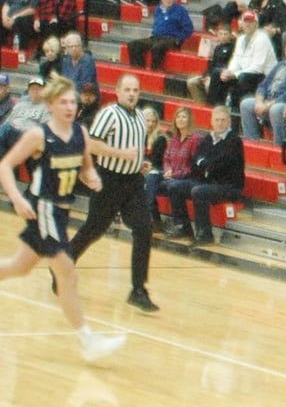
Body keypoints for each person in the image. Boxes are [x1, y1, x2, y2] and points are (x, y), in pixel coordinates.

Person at [0, 75, 123, 360]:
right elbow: (5, 166)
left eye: (72, 101)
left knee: (21, 267)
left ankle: (87, 340)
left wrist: (90, 176)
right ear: (51, 105)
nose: (69, 106)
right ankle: (87, 341)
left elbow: (85, 167)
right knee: (66, 271)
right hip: (41, 208)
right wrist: (16, 198)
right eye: (63, 102)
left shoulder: (79, 132)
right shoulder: (38, 135)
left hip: (60, 211)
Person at [66, 73, 158, 312]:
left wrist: (138, 163)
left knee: (144, 229)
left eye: (135, 90)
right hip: (109, 181)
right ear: (117, 91)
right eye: (127, 89)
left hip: (133, 182)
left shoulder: (139, 116)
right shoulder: (109, 113)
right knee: (93, 230)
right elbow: (92, 144)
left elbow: (133, 150)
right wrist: (121, 155)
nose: (131, 94)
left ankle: (138, 289)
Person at [162, 106, 245, 248]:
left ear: (229, 122)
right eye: (217, 120)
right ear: (211, 121)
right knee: (175, 186)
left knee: (198, 191)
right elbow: (195, 161)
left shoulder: (234, 141)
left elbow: (222, 164)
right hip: (207, 182)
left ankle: (205, 234)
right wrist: (205, 164)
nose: (220, 123)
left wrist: (205, 163)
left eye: (223, 120)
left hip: (228, 186)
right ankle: (183, 227)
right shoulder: (208, 138)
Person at [125, 0, 193, 69]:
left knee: (157, 48)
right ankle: (139, 70)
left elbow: (189, 29)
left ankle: (155, 72)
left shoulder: (181, 10)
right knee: (133, 45)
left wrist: (178, 39)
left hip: (171, 39)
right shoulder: (158, 9)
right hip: (155, 37)